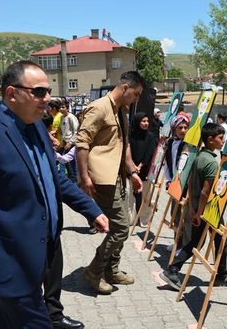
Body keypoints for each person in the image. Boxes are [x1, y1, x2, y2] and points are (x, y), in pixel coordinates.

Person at [0, 61, 108, 329]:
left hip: (41, 250)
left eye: (48, 91)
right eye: (38, 92)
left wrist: (91, 209)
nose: (47, 98)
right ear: (11, 94)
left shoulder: (37, 125)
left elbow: (54, 180)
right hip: (8, 261)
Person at [76, 70, 145, 295]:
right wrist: (84, 177)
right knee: (121, 228)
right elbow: (82, 143)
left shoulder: (120, 110)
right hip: (102, 179)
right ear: (125, 88)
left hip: (117, 177)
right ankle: (94, 272)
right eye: (135, 94)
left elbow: (123, 145)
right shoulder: (99, 108)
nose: (136, 100)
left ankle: (111, 269)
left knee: (120, 226)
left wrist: (132, 171)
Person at [160, 123, 227, 290]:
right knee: (219, 240)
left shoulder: (199, 156)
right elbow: (206, 191)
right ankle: (221, 275)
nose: (223, 141)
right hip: (207, 209)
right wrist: (199, 213)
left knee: (198, 242)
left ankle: (173, 269)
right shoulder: (210, 162)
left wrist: (192, 208)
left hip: (197, 207)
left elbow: (189, 182)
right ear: (210, 140)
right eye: (220, 138)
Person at [163, 113, 191, 247]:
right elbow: (167, 164)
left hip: (185, 186)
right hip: (174, 184)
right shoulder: (170, 143)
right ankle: (177, 243)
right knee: (175, 214)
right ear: (174, 128)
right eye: (180, 127)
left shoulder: (189, 145)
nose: (183, 130)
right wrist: (168, 180)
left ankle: (184, 246)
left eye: (186, 127)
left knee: (185, 217)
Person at [129, 112, 157, 226]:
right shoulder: (131, 135)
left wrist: (140, 165)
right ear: (137, 122)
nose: (146, 123)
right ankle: (130, 219)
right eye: (143, 121)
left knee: (145, 196)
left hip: (145, 170)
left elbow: (150, 153)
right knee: (130, 196)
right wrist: (132, 166)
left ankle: (144, 220)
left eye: (147, 121)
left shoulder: (150, 136)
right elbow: (127, 151)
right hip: (131, 170)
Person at [59, 100, 79, 183]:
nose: (61, 109)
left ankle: (75, 182)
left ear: (67, 109)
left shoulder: (71, 117)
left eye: (63, 107)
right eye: (60, 107)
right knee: (67, 164)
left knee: (71, 164)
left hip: (71, 144)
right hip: (65, 143)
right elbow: (64, 131)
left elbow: (76, 131)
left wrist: (70, 142)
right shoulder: (62, 117)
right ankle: (71, 181)